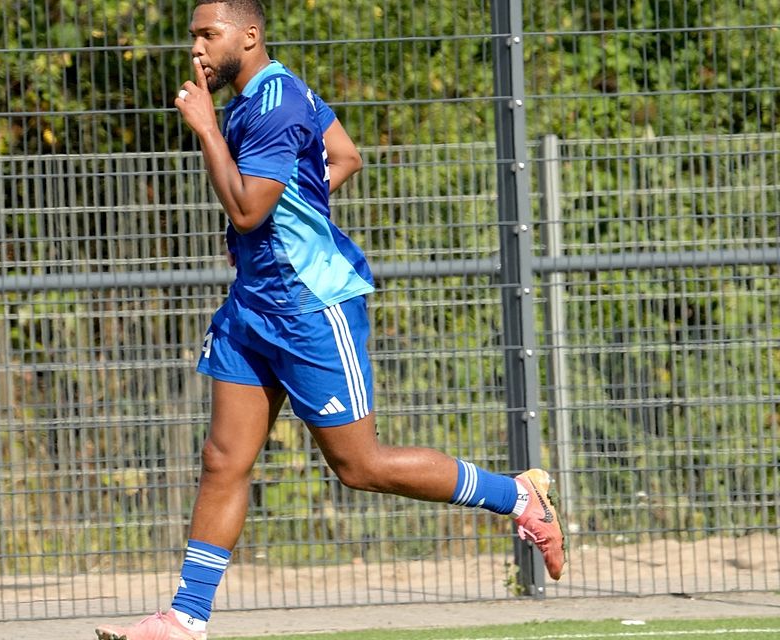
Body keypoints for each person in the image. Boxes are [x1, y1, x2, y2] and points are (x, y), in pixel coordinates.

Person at [95, 2, 565, 639]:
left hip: (309, 305)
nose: (197, 49)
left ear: (249, 35)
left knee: (359, 466)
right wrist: (297, 193)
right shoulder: (269, 95)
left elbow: (245, 213)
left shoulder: (272, 105)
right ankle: (186, 618)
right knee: (222, 459)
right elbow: (344, 155)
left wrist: (207, 129)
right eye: (193, 37)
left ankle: (517, 496)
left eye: (209, 35)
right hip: (253, 305)